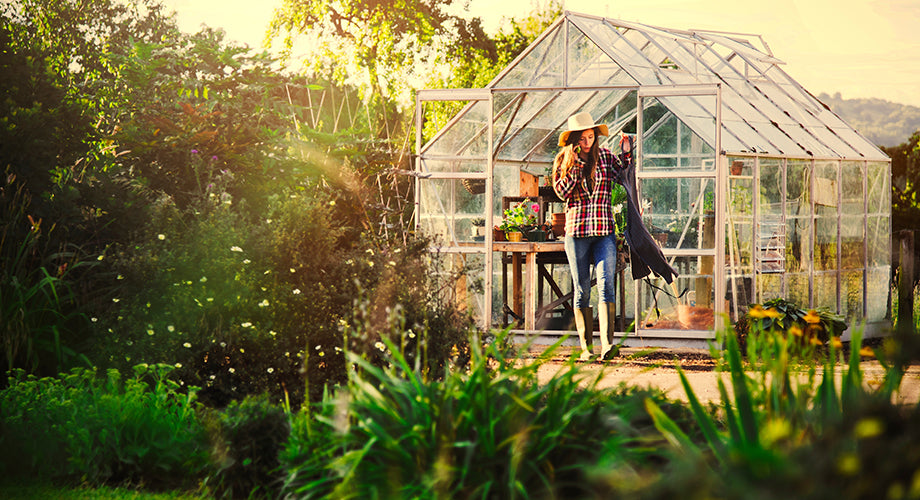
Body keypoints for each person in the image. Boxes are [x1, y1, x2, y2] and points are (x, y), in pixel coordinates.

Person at [552, 112, 625, 360]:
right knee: (582, 289)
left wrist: (627, 152)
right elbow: (562, 192)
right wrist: (574, 165)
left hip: (604, 231)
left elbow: (623, 174)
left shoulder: (604, 157)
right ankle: (586, 349)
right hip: (577, 232)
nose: (587, 142)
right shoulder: (564, 160)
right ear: (574, 139)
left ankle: (607, 345)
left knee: (606, 284)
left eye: (591, 136)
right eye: (582, 138)